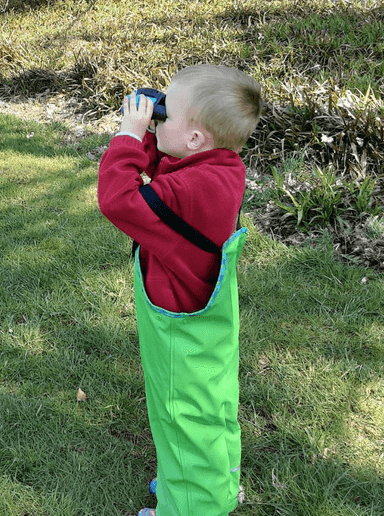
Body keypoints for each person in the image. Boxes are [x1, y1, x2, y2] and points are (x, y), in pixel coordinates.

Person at [97, 64, 262, 516]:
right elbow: (171, 163)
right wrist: (154, 131)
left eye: (166, 114)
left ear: (194, 138)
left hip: (179, 333)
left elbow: (118, 200)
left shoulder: (186, 189)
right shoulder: (220, 167)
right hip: (209, 322)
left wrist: (129, 137)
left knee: (180, 415)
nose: (158, 118)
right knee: (214, 406)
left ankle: (190, 507)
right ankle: (215, 487)